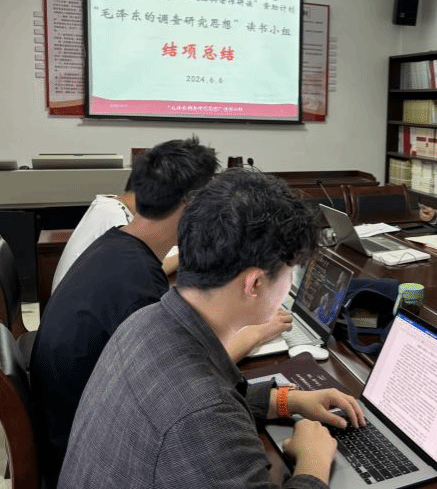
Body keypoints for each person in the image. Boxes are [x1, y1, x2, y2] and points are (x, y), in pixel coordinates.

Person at [58, 169, 365, 489]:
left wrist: (289, 401)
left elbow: (213, 397)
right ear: (254, 283)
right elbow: (205, 410)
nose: (289, 285)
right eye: (290, 273)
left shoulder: (144, 321)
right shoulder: (204, 415)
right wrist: (313, 461)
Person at [30, 136, 223, 488]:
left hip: (70, 433)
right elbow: (181, 397)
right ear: (192, 204)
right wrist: (253, 335)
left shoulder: (116, 244)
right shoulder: (137, 287)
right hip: (89, 462)